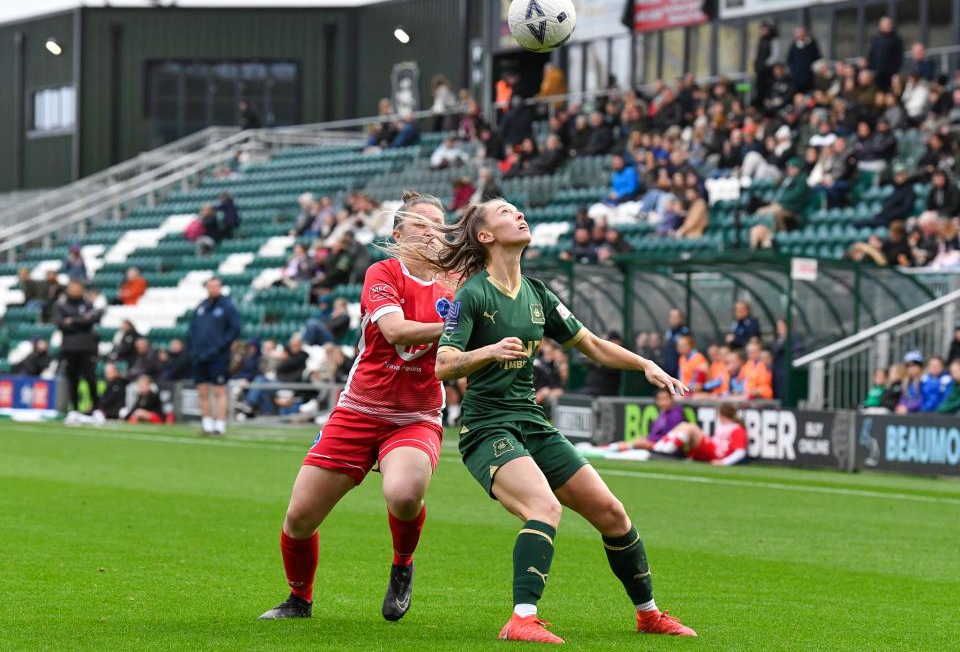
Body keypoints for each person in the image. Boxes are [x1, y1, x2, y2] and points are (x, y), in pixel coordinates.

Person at [430, 198, 695, 642]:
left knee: (612, 514)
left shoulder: (537, 293)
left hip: (532, 422)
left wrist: (644, 363)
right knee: (544, 508)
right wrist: (488, 352)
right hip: (488, 427)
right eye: (504, 212)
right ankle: (521, 619)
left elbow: (591, 343)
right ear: (485, 236)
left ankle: (648, 614)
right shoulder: (472, 294)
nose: (518, 214)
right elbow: (444, 364)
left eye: (518, 209)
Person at [259, 191, 454, 623]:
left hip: (415, 415)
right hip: (359, 410)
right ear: (398, 232)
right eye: (422, 223)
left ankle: (402, 564)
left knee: (404, 494)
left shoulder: (456, 283)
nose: (432, 232)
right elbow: (397, 330)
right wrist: (456, 324)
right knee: (299, 518)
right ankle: (299, 599)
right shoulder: (382, 272)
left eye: (439, 224)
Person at [188, 277, 241, 436]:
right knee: (202, 389)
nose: (213, 289)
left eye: (216, 286)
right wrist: (194, 347)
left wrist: (220, 347)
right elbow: (192, 329)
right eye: (210, 286)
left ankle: (220, 424)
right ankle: (207, 423)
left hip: (218, 356)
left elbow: (234, 329)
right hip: (200, 355)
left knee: (219, 390)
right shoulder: (202, 306)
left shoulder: (227, 306)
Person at [55, 280, 103, 413]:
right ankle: (74, 410)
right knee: (73, 379)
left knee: (90, 378)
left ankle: (97, 410)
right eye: (72, 287)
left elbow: (92, 319)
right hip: (69, 348)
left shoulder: (88, 304)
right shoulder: (61, 305)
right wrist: (81, 320)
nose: (74, 289)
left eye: (77, 286)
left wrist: (73, 320)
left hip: (87, 347)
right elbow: (60, 324)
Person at [653, 403, 747, 466]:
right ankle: (659, 448)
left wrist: (724, 462)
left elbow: (740, 452)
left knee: (691, 428)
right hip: (712, 451)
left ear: (722, 415)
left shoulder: (737, 428)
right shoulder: (723, 427)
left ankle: (664, 451)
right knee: (684, 425)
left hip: (717, 455)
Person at [611, 389, 685, 452]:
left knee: (635, 444)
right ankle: (611, 448)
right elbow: (655, 435)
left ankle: (613, 449)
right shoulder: (662, 414)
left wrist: (646, 442)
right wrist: (646, 438)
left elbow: (668, 437)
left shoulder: (676, 415)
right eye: (660, 399)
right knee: (628, 442)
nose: (662, 402)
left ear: (672, 399)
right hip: (654, 444)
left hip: (666, 448)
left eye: (665, 399)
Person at [867, 16, 904, 92]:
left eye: (888, 24)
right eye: (885, 24)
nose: (887, 25)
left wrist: (896, 72)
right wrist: (871, 69)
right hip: (877, 74)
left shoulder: (896, 39)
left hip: (891, 74)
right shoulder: (876, 40)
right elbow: (871, 56)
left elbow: (899, 57)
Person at [786, 26, 821, 94]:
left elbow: (817, 58)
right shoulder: (794, 45)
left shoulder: (812, 43)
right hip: (797, 77)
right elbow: (789, 59)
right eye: (798, 34)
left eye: (802, 34)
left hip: (809, 77)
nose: (800, 36)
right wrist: (793, 70)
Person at [661, 308, 690, 379]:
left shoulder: (685, 332)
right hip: (668, 369)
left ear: (680, 319)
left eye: (675, 317)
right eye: (671, 317)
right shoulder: (668, 332)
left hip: (680, 371)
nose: (672, 319)